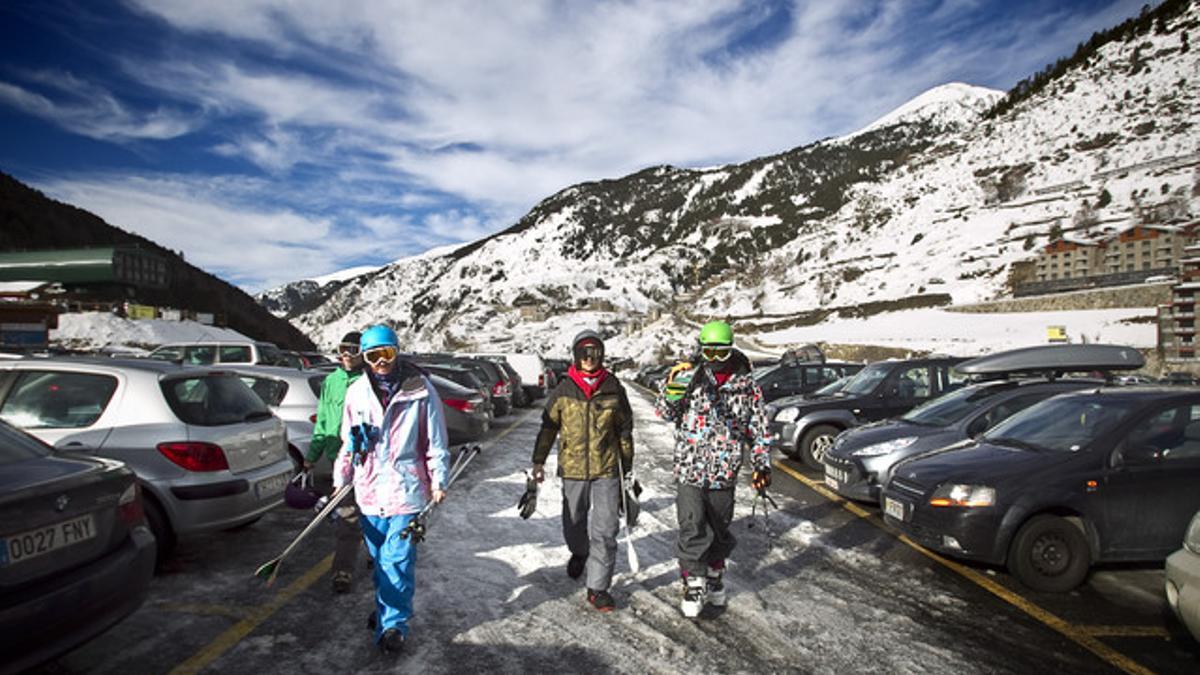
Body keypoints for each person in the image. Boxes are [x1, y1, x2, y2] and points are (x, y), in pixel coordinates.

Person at [335, 325, 451, 655]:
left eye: (387, 353)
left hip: (407, 488)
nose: (381, 362)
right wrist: (340, 478)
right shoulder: (356, 392)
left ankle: (394, 626)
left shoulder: (420, 389)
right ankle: (386, 609)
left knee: (397, 560)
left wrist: (439, 480)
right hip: (369, 489)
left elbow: (436, 442)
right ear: (365, 359)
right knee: (380, 560)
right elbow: (348, 443)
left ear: (397, 352)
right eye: (373, 356)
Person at [655, 320, 772, 618]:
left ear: (731, 350)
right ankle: (693, 582)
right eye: (709, 352)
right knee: (692, 524)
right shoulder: (689, 376)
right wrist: (672, 390)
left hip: (724, 470)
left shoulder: (748, 387)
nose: (714, 359)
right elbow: (666, 412)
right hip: (690, 468)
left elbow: (758, 429)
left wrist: (761, 464)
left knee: (719, 526)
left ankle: (714, 574)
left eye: (721, 353)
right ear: (701, 349)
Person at [531, 329, 634, 612]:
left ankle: (598, 588)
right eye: (584, 353)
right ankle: (579, 552)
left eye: (595, 353)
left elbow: (625, 430)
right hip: (574, 469)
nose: (590, 358)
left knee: (606, 530)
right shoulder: (563, 390)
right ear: (576, 356)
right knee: (573, 522)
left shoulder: (613, 387)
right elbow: (548, 427)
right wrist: (538, 461)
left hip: (607, 470)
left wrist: (628, 468)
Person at [303, 331, 365, 594]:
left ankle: (376, 555)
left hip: (367, 461)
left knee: (374, 515)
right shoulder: (331, 381)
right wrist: (312, 456)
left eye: (353, 349)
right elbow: (324, 422)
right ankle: (343, 570)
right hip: (338, 462)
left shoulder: (368, 381)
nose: (347, 355)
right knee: (347, 519)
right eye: (343, 348)